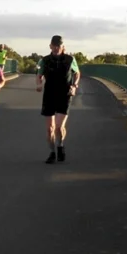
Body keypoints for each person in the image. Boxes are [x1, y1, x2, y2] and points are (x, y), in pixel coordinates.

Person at [36, 34, 80, 164]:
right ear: (50, 46)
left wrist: (74, 86)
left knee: (59, 127)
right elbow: (39, 74)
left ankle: (60, 145)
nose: (56, 48)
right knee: (50, 128)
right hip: (49, 94)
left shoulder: (70, 59)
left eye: (58, 46)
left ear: (63, 47)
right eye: (54, 46)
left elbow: (77, 73)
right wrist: (38, 84)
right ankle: (52, 152)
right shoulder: (44, 60)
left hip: (64, 94)